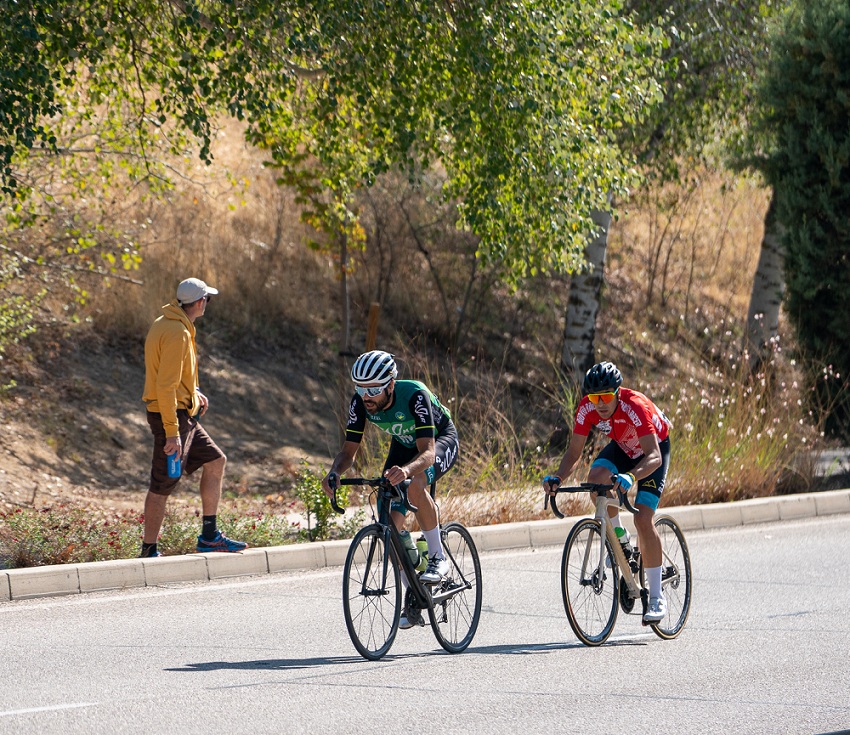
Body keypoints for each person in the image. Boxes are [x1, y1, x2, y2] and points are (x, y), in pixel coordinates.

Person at [322, 350, 459, 628]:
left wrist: (407, 471)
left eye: (373, 389)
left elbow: (428, 453)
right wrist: (335, 471)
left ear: (390, 384)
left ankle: (437, 558)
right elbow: (349, 452)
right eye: (360, 388)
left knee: (415, 485)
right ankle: (414, 594)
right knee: (388, 523)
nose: (366, 396)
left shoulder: (415, 395)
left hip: (438, 441)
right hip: (404, 444)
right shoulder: (361, 402)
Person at [544, 360, 671, 624]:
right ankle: (620, 540)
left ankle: (657, 598)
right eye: (594, 397)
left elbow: (654, 456)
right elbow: (574, 452)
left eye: (605, 396)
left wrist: (631, 475)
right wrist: (557, 477)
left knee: (643, 518)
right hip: (624, 447)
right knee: (596, 481)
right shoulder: (587, 408)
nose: (600, 403)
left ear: (617, 392)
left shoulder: (634, 405)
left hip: (652, 451)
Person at [139, 277, 247, 557]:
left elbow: (174, 375)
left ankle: (210, 536)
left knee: (215, 461)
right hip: (171, 417)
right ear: (200, 302)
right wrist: (172, 431)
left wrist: (194, 393)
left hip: (180, 412)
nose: (207, 304)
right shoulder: (178, 333)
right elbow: (165, 385)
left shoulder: (165, 323)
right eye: (207, 299)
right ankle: (148, 549)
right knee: (162, 484)